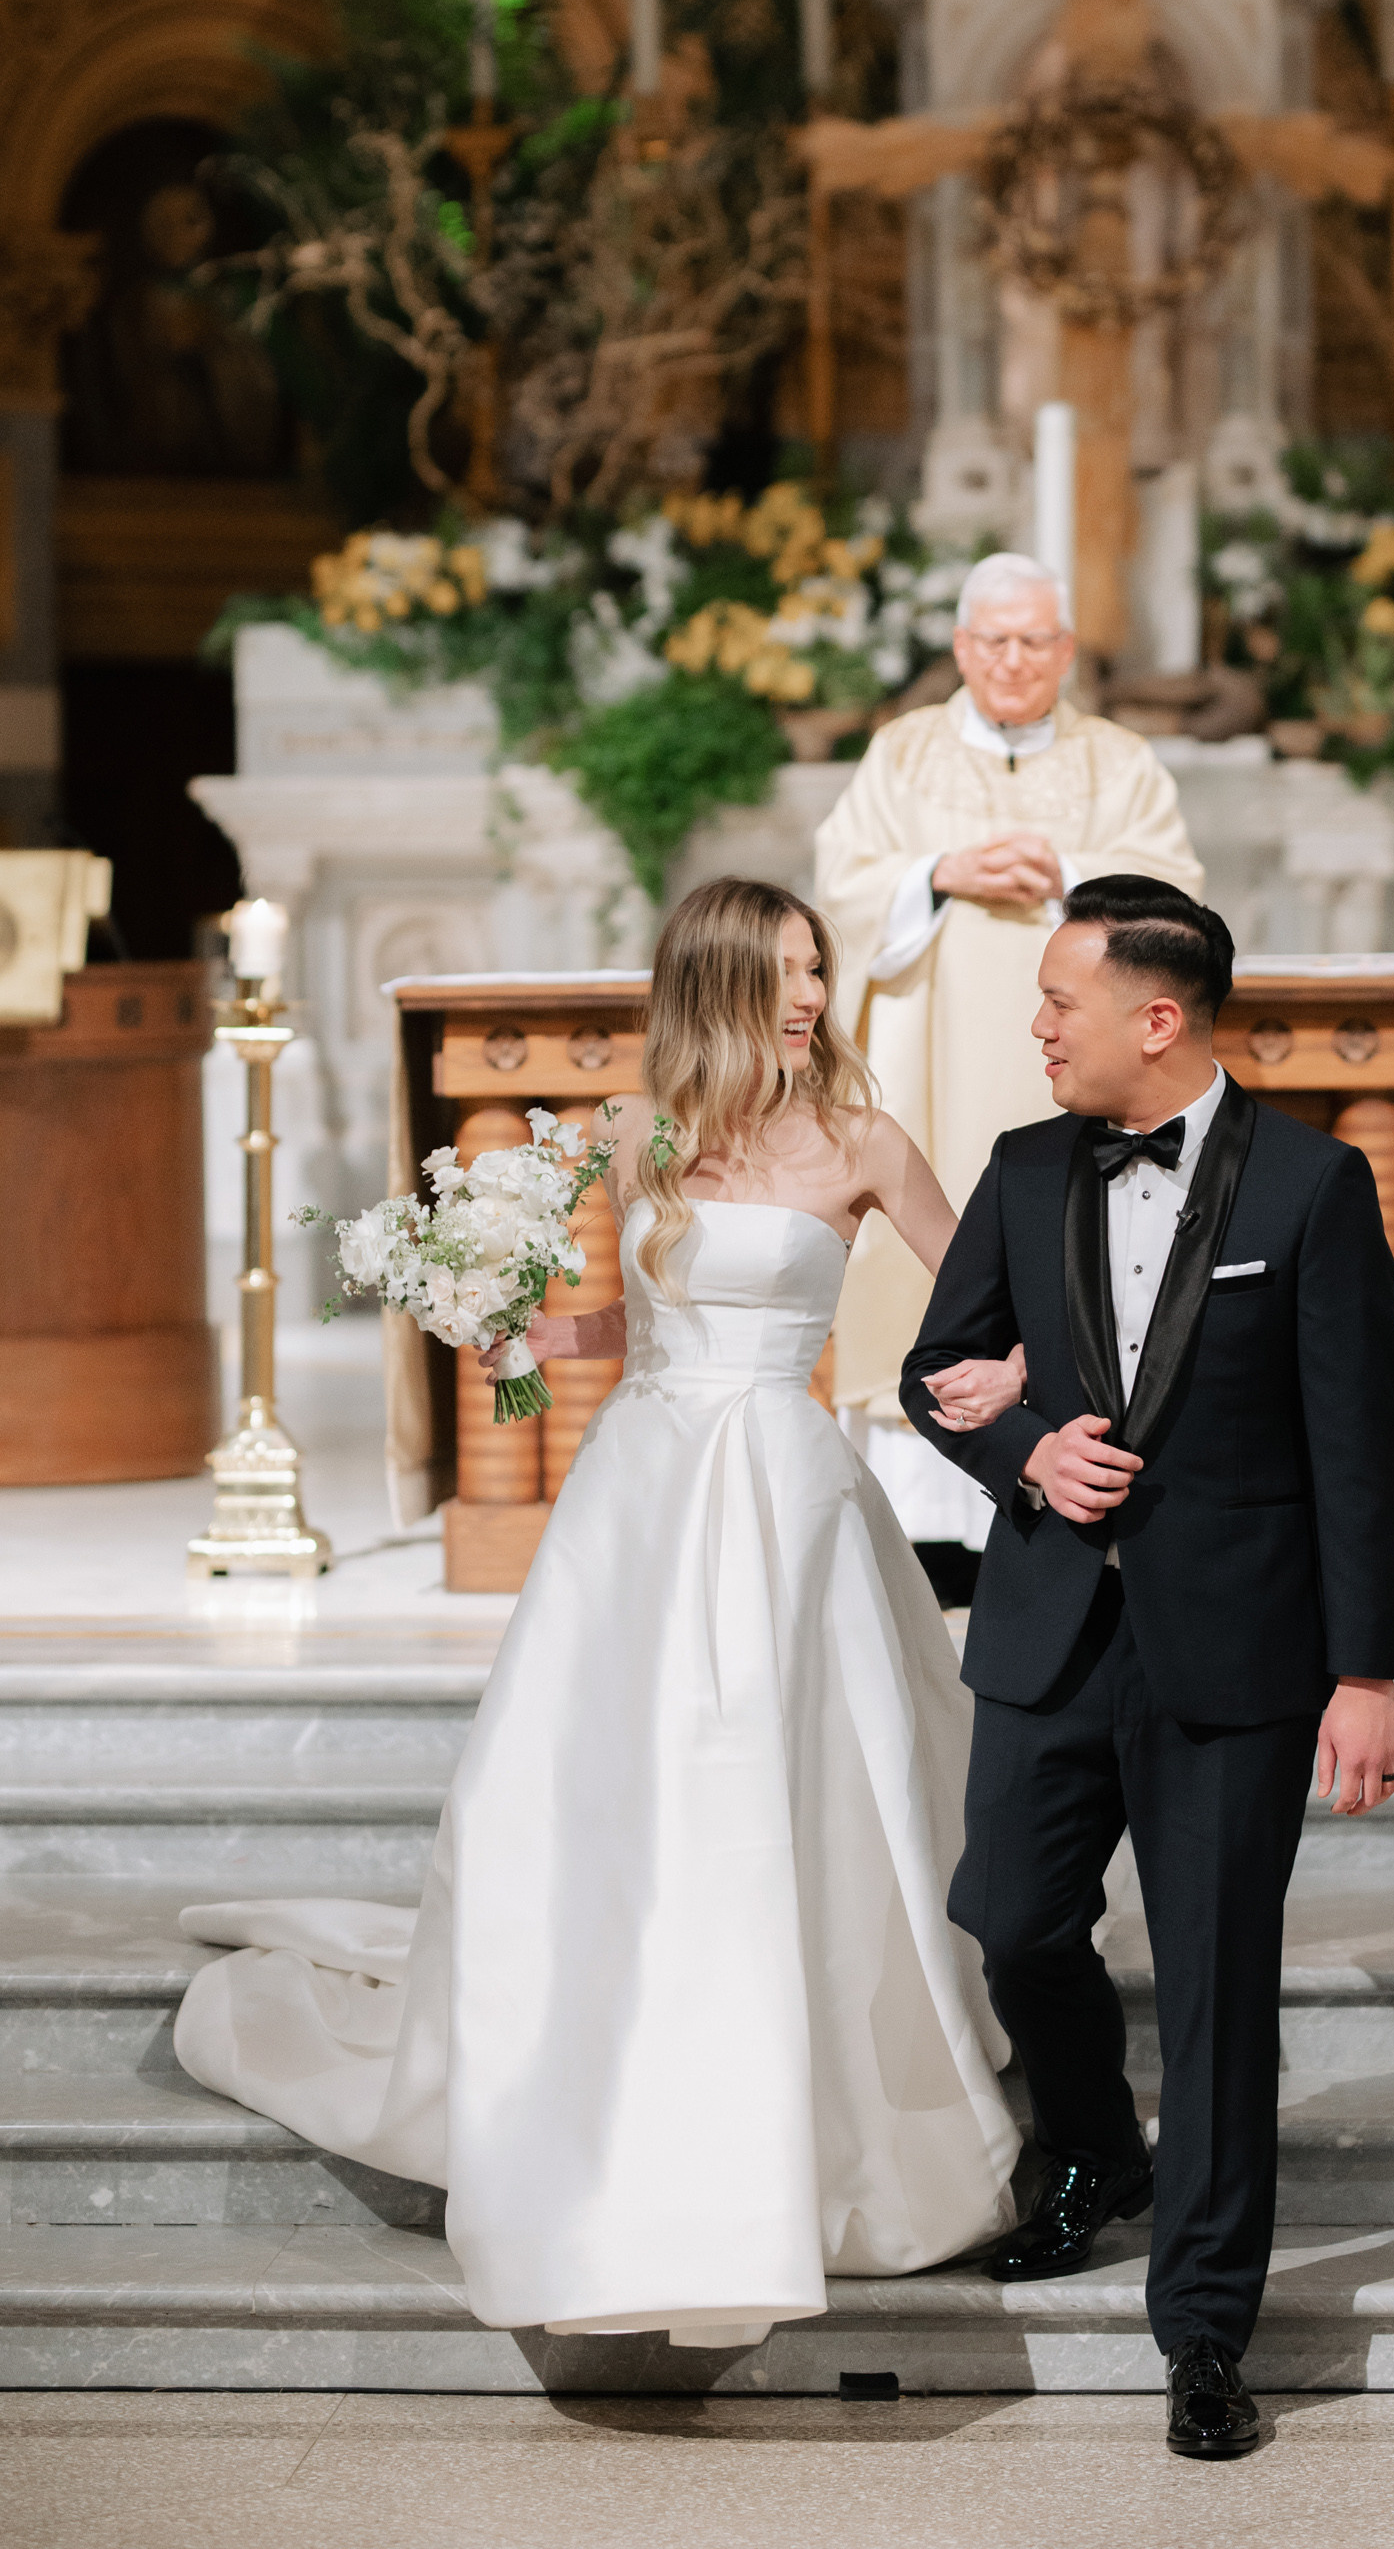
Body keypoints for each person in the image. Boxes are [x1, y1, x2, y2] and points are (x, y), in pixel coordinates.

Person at [174, 878, 1027, 2346]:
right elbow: (626, 1324)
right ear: (709, 987)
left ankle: (816, 2108)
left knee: (805, 1787)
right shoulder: (641, 1135)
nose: (810, 996)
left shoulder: (864, 1140)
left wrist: (1011, 1381)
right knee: (589, 1793)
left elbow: (992, 1302)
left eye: (816, 968)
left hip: (786, 1495)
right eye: (777, 974)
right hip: (640, 1490)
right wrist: (506, 1334)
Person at [902, 873, 1394, 2462]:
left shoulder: (1315, 1190)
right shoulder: (1020, 1165)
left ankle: (1203, 2333)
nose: (1036, 1025)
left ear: (1158, 1016)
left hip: (1241, 1654)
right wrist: (1023, 1461)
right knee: (1010, 1917)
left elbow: (1360, 1447)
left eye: (1060, 999)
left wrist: (1367, 1671)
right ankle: (1089, 2146)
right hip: (1052, 1629)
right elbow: (935, 1373)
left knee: (1212, 1995)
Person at [815, 550, 1203, 1593]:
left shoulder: (1116, 761)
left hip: (1078, 1077)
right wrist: (935, 875)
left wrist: (1072, 879)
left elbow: (1176, 896)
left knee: (1072, 1249)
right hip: (927, 1066)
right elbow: (836, 888)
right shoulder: (901, 755)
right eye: (993, 640)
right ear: (958, 647)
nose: (1015, 660)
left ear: (1067, 650)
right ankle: (926, 1522)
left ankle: (1066, 1498)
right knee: (928, 1262)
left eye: (1036, 640)